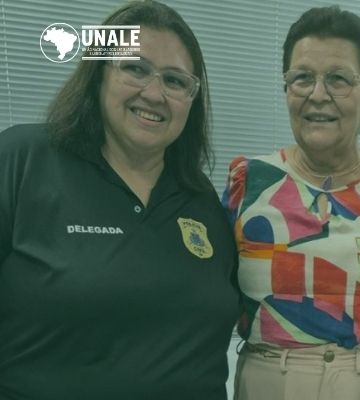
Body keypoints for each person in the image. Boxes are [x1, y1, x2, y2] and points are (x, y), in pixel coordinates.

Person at [0, 1, 239, 399]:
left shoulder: (199, 196)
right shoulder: (22, 159)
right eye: (135, 69)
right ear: (98, 74)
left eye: (175, 81)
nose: (155, 93)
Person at [222, 6, 360, 400]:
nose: (318, 95)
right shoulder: (249, 182)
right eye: (302, 78)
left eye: (338, 79)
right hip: (267, 383)